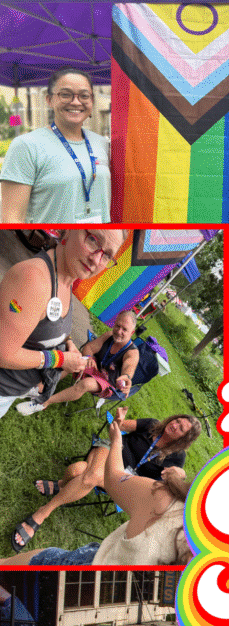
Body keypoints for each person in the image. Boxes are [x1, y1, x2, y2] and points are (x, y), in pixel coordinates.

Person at [5, 414, 193, 564]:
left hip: (123, 479)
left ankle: (62, 485)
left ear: (184, 439)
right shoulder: (152, 425)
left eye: (181, 428)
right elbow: (120, 425)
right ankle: (42, 514)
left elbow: (167, 481)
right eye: (177, 421)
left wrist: (179, 475)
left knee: (79, 470)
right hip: (110, 449)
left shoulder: (177, 458)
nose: (175, 425)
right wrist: (120, 419)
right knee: (93, 476)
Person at [0, 228, 126, 419]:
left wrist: (69, 343)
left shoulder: (66, 281)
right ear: (68, 230)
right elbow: (3, 353)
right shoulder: (35, 279)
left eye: (107, 255)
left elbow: (44, 324)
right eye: (93, 240)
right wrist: (59, 359)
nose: (96, 260)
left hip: (9, 393)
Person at [1, 68, 111, 223]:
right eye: (65, 94)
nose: (76, 102)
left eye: (84, 96)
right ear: (49, 100)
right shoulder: (26, 146)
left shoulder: (102, 143)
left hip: (96, 240)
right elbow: (11, 219)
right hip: (51, 243)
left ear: (92, 101)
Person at [17, 309, 140, 415]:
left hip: (108, 383)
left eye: (124, 329)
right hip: (95, 367)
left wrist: (126, 377)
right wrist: (90, 357)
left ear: (132, 332)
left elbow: (130, 365)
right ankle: (39, 388)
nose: (119, 331)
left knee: (85, 384)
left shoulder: (132, 352)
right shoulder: (109, 335)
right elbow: (89, 348)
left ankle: (44, 402)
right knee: (72, 360)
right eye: (117, 326)